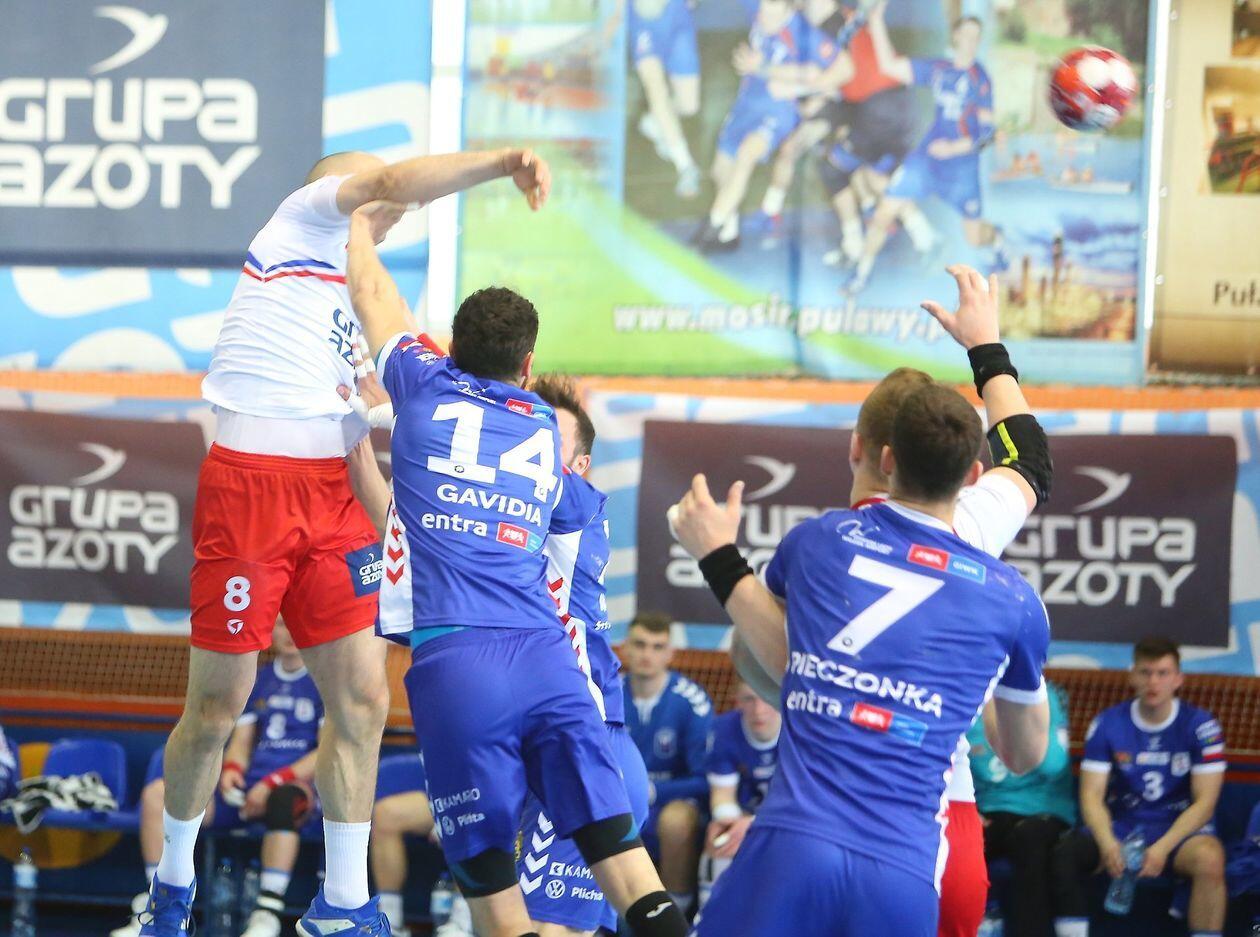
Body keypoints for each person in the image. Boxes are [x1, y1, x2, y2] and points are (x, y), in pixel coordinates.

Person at [144, 144, 553, 937]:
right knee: (218, 703)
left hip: (333, 491)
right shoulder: (301, 224)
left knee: (364, 698)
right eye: (378, 197)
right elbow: (393, 183)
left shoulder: (360, 294)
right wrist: (502, 161)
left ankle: (340, 901)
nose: (394, 209)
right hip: (253, 486)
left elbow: (409, 396)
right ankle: (171, 890)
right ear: (341, 190)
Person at [672, 267, 1052, 936]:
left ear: (865, 450)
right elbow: (1029, 459)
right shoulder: (998, 568)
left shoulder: (820, 544)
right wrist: (985, 345)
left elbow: (784, 660)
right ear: (971, 474)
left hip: (804, 833)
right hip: (933, 837)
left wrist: (719, 556)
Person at [347, 209, 688, 937]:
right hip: (546, 664)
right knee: (632, 877)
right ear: (526, 368)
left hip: (463, 666)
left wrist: (357, 219)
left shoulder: (423, 390)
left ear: (449, 350)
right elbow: (433, 509)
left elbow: (375, 297)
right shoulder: (540, 431)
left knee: (505, 916)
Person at [119, 620, 324, 937]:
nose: (290, 633)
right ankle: (157, 902)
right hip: (248, 790)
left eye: (294, 624)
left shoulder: (323, 681)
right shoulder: (259, 678)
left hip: (295, 789)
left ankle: (267, 912)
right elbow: (240, 743)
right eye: (282, 626)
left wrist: (272, 783)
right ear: (270, 631)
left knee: (284, 800)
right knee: (157, 794)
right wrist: (232, 771)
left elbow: (325, 753)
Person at [1052, 637, 1227, 937]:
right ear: (1132, 676)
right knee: (1065, 853)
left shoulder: (1201, 726)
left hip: (1178, 833)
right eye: (1145, 673)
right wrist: (1108, 844)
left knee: (1210, 859)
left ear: (1178, 679)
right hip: (1123, 827)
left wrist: (1162, 848)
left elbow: (1205, 803)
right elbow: (1091, 795)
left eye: (1162, 673)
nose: (1153, 682)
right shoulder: (1107, 723)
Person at [849, 5, 1005, 294]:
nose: (970, 41)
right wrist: (877, 21)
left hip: (961, 170)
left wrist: (955, 147)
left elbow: (987, 134)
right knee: (885, 210)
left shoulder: (980, 79)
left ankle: (996, 239)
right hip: (926, 160)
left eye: (976, 37)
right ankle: (860, 274)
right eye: (966, 34)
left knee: (973, 237)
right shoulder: (938, 69)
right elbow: (889, 66)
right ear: (955, 36)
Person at [694, 0, 831, 252]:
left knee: (746, 156)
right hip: (746, 104)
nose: (764, 15)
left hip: (776, 110)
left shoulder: (804, 33)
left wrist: (768, 70)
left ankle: (711, 228)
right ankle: (729, 231)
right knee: (721, 169)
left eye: (772, 12)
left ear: (789, 8)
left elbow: (822, 72)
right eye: (763, 9)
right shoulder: (759, 8)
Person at [622, 612, 714, 916]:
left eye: (657, 646)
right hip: (621, 800)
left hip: (673, 801)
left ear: (670, 653)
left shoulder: (691, 700)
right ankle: (601, 912)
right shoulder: (607, 695)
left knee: (676, 821)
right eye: (640, 644)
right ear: (625, 648)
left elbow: (705, 779)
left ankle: (676, 912)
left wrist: (653, 791)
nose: (647, 655)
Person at [968, 684, 1076, 937]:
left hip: (1042, 808)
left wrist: (1019, 731)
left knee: (1029, 839)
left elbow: (1053, 765)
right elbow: (950, 767)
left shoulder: (1044, 697)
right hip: (990, 809)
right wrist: (967, 811)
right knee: (963, 842)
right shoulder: (971, 695)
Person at [698, 681, 780, 909]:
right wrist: (730, 825)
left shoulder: (799, 731)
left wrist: (754, 824)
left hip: (788, 822)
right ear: (737, 700)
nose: (759, 710)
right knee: (721, 842)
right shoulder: (724, 729)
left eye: (766, 699)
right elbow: (722, 796)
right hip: (741, 818)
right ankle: (708, 915)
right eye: (749, 699)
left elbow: (803, 803)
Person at [628, 0, 703, 197]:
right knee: (657, 91)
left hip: (677, 18)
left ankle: (656, 121)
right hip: (643, 24)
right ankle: (686, 166)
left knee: (689, 106)